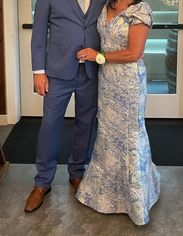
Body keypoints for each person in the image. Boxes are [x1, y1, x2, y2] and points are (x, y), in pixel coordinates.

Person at [76, 0, 160, 225]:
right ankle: (105, 193)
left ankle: (135, 198)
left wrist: (99, 57)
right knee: (107, 133)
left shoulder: (140, 10)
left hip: (129, 82)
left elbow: (134, 53)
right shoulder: (106, 6)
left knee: (130, 134)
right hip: (107, 81)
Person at [24, 0, 106, 212]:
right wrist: (38, 72)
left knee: (86, 124)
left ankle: (77, 173)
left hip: (91, 71)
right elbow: (39, 34)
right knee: (50, 125)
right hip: (57, 73)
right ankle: (42, 182)